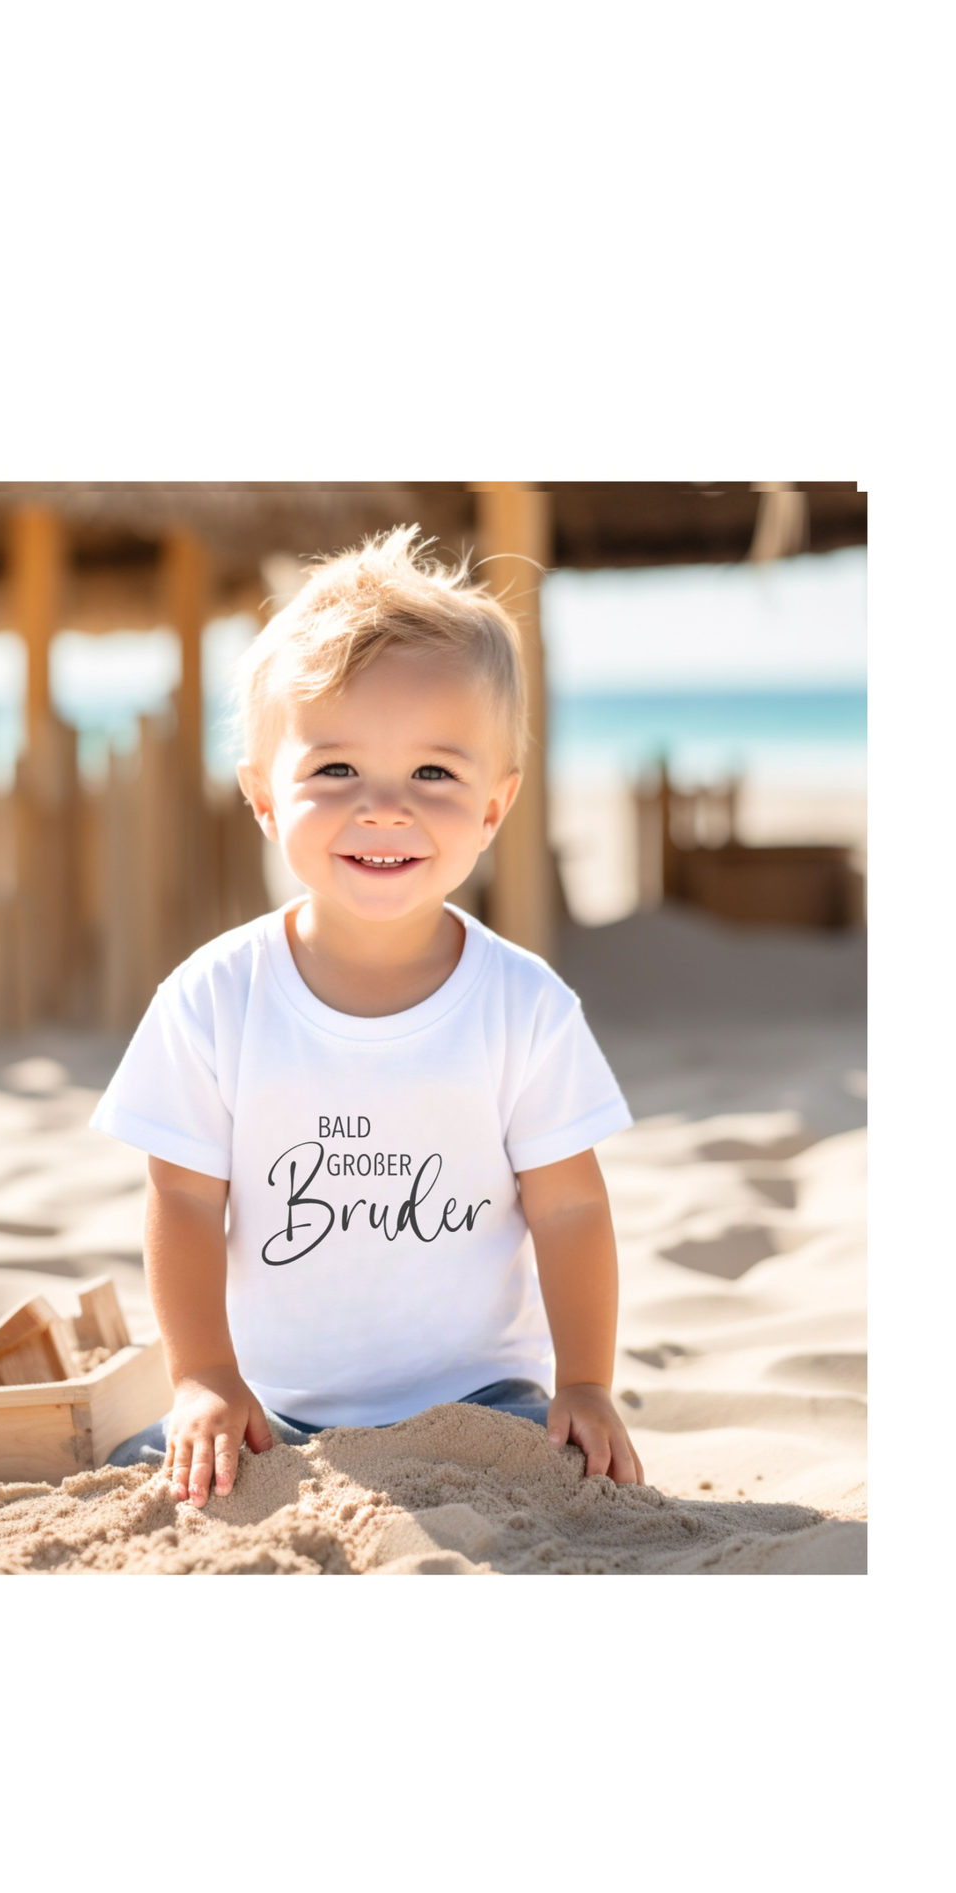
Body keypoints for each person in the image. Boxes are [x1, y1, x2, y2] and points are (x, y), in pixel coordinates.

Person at [91, 526, 644, 1507]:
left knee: (566, 1470)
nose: (383, 808)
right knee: (139, 1469)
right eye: (335, 771)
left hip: (483, 1403)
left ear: (493, 808)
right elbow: (183, 1200)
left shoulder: (523, 1007)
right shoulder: (213, 998)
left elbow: (568, 1207)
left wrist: (587, 1384)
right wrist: (204, 1374)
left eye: (433, 774)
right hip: (276, 1405)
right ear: (264, 800)